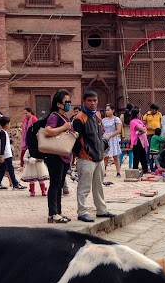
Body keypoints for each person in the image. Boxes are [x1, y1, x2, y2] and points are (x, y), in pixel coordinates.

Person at [73, 90, 114, 222]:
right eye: (89, 101)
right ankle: (82, 212)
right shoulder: (79, 118)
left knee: (99, 186)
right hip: (85, 158)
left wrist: (102, 150)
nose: (92, 103)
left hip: (99, 157)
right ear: (84, 102)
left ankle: (101, 210)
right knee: (84, 186)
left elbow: (99, 135)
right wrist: (80, 155)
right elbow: (76, 140)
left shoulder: (97, 115)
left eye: (95, 100)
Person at [43, 89, 74, 224]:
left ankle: (58, 211)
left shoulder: (65, 117)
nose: (68, 104)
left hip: (64, 155)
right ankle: (52, 213)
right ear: (58, 104)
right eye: (66, 102)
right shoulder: (54, 116)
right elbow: (48, 131)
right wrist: (64, 128)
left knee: (60, 184)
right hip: (55, 156)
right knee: (55, 184)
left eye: (69, 101)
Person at [0, 116, 25, 190]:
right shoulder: (2, 133)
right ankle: (15, 184)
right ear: (6, 124)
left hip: (6, 154)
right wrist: (2, 155)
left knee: (2, 169)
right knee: (10, 169)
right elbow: (3, 144)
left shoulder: (3, 132)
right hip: (6, 154)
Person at [101, 104, 123, 177]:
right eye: (106, 110)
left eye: (108, 110)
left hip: (113, 138)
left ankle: (118, 172)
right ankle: (103, 171)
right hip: (105, 138)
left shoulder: (116, 119)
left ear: (113, 110)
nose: (107, 112)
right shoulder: (104, 120)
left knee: (115, 156)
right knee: (105, 156)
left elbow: (118, 130)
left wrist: (110, 136)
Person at [129, 108, 149, 173]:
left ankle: (145, 169)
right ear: (137, 114)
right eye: (139, 113)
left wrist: (143, 130)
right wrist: (143, 129)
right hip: (137, 140)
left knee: (143, 154)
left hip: (142, 141)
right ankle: (135, 169)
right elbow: (142, 129)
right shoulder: (133, 122)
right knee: (137, 156)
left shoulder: (139, 121)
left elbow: (144, 129)